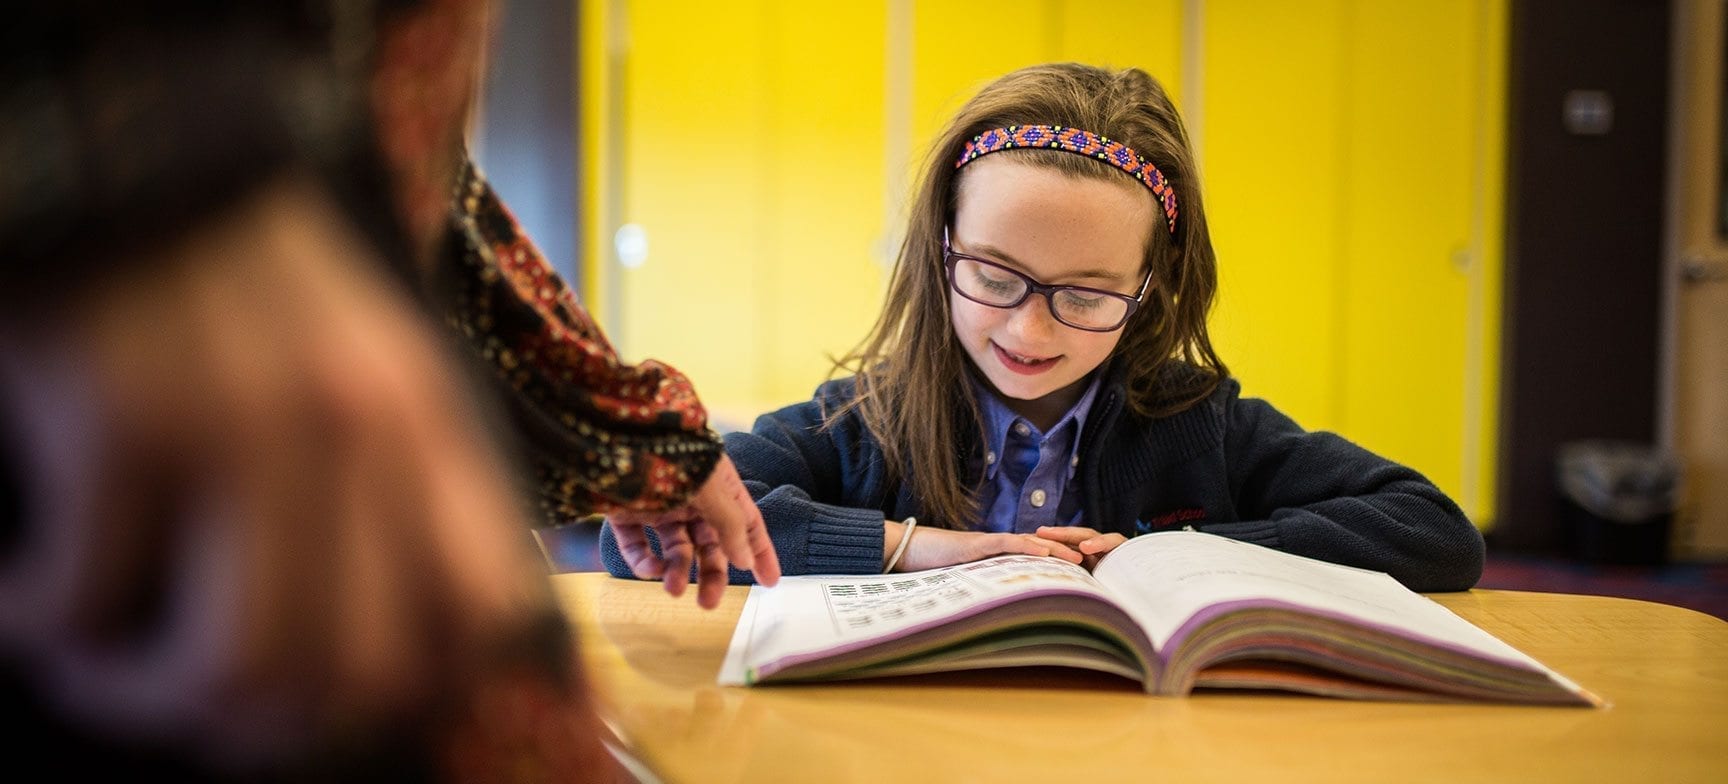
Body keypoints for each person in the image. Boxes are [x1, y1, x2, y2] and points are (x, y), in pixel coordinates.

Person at [602, 62, 1485, 592]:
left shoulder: (1197, 421)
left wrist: (1168, 555)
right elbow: (636, 531)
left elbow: (1433, 529)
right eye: (993, 275)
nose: (1029, 328)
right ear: (939, 249)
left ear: (1152, 288)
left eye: (1090, 295)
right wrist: (929, 549)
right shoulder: (865, 417)